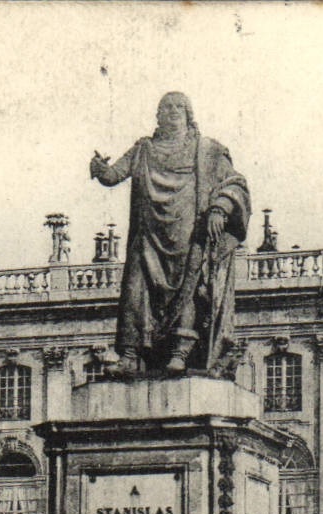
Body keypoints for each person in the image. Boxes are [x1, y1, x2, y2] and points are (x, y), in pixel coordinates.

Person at [90, 92, 250, 376]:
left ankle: (181, 351)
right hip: (148, 235)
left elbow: (235, 183)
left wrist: (220, 208)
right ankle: (129, 354)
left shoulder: (208, 150)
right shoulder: (143, 149)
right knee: (136, 290)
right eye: (166, 107)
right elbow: (113, 175)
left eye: (178, 106)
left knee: (188, 288)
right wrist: (100, 169)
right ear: (157, 115)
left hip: (190, 235)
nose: (172, 111)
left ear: (189, 114)